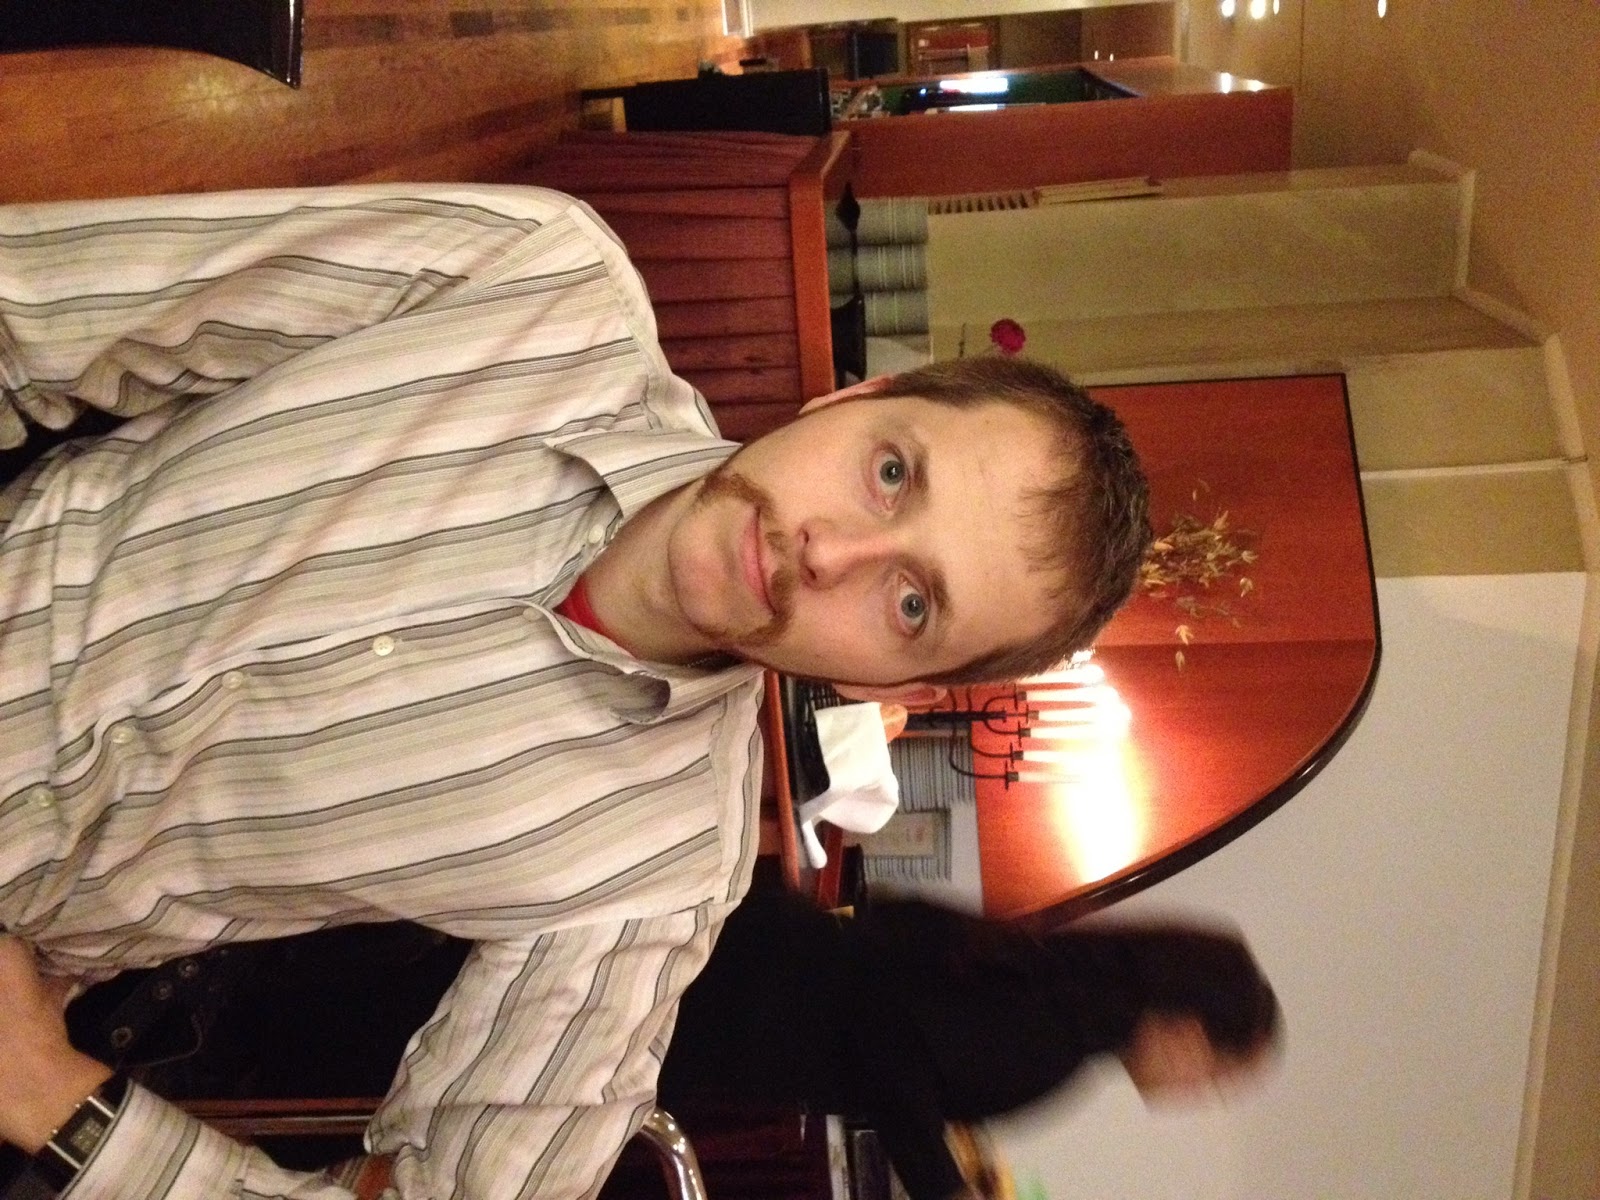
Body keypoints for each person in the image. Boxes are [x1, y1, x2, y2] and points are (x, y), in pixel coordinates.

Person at [0, 184, 1151, 1200]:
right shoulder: (535, 281)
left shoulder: (657, 882)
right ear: (853, 396)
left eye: (908, 604)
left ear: (882, 683)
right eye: (890, 471)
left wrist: (51, 1095)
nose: (829, 552)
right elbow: (33, 308)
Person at [655, 889, 1281, 1200]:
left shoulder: (1051, 978)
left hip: (745, 945)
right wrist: (944, 1189)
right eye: (1215, 1076)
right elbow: (891, 1048)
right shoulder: (1057, 1037)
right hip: (727, 1009)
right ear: (1187, 1030)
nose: (1201, 1094)